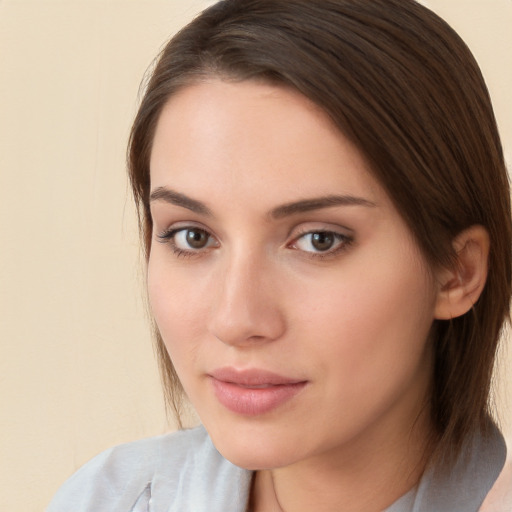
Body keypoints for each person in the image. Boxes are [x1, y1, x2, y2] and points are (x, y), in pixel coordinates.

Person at [47, 0, 512, 510]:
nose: (236, 319)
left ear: (457, 272)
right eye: (193, 237)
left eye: (319, 240)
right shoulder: (108, 498)